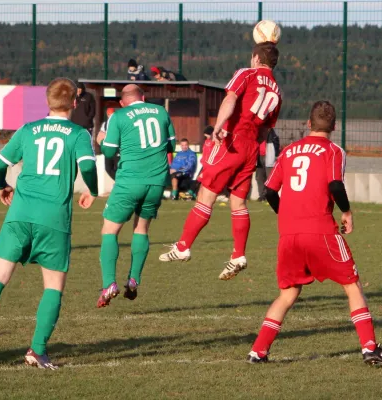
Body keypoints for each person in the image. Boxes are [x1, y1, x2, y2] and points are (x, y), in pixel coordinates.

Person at [0, 78, 99, 369]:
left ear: (47, 102)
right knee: (53, 286)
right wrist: (92, 191)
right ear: (74, 103)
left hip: (20, 213)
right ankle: (37, 350)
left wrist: (2, 187)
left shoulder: (29, 129)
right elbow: (86, 166)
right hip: (53, 218)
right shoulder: (78, 133)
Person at [246, 101, 382, 368]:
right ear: (335, 126)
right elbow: (335, 184)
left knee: (288, 294)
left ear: (308, 124)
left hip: (289, 235)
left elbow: (269, 191)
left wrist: (285, 215)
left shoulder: (289, 151)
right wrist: (347, 212)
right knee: (353, 286)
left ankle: (258, 351)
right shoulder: (333, 150)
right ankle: (369, 348)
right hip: (320, 232)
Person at [159, 42, 282, 281]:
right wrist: (254, 150)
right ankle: (238, 255)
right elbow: (267, 129)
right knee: (238, 203)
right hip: (250, 148)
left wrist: (218, 127)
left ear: (256, 59)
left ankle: (183, 246)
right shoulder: (276, 89)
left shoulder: (246, 73)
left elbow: (231, 99)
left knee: (206, 195)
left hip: (231, 140)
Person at [95, 84, 176, 307]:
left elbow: (109, 152)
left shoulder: (119, 116)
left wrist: (102, 139)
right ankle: (133, 279)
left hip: (130, 181)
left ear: (122, 102)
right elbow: (172, 146)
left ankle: (109, 283)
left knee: (109, 230)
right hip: (157, 182)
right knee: (141, 229)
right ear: (143, 97)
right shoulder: (160, 112)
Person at [255, 127, 280, 201]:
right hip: (258, 156)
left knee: (269, 177)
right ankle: (262, 195)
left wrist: (276, 155)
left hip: (269, 155)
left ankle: (271, 195)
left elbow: (276, 143)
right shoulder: (256, 131)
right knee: (259, 177)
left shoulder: (271, 132)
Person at [99, 107, 119, 181]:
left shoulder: (118, 122)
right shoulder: (105, 124)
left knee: (118, 167)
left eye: (112, 114)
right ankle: (118, 181)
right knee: (108, 168)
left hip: (117, 149)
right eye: (109, 114)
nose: (110, 116)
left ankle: (120, 183)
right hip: (108, 148)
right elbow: (101, 135)